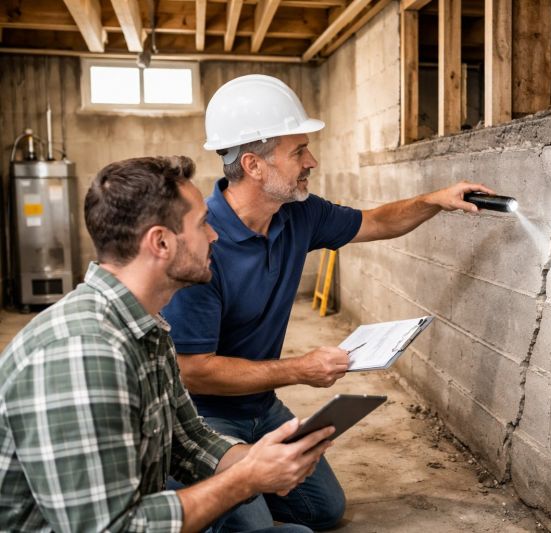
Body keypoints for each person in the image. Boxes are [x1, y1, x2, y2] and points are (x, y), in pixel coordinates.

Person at [161, 75, 493, 531]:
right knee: (254, 526)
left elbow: (374, 221)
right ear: (255, 165)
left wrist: (435, 200)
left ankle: (242, 493)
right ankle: (192, 488)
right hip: (205, 418)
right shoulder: (202, 245)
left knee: (324, 511)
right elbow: (193, 370)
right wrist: (300, 369)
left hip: (261, 407)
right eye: (298, 151)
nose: (311, 161)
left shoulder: (299, 212)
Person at [0, 156, 335, 533]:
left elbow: (187, 440)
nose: (214, 236)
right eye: (203, 224)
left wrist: (260, 457)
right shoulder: (82, 351)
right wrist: (247, 479)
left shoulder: (146, 326)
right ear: (160, 242)